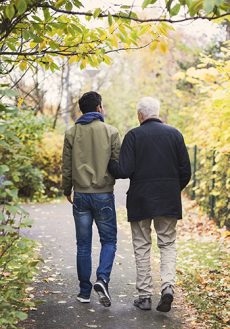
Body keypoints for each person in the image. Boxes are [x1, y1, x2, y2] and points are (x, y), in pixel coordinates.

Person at [108, 97, 191, 312]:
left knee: (142, 246)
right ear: (157, 112)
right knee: (167, 244)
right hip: (168, 199)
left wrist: (109, 162)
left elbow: (124, 170)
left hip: (140, 199)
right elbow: (185, 171)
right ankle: (167, 288)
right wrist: (172, 189)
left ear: (140, 115)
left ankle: (144, 296)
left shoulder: (134, 135)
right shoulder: (175, 134)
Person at [62, 91, 120, 307]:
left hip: (81, 195)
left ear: (82, 110)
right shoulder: (111, 132)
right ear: (99, 108)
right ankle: (102, 279)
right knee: (109, 241)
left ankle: (84, 292)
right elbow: (117, 164)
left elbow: (66, 166)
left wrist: (66, 189)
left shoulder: (71, 133)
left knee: (83, 245)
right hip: (104, 194)